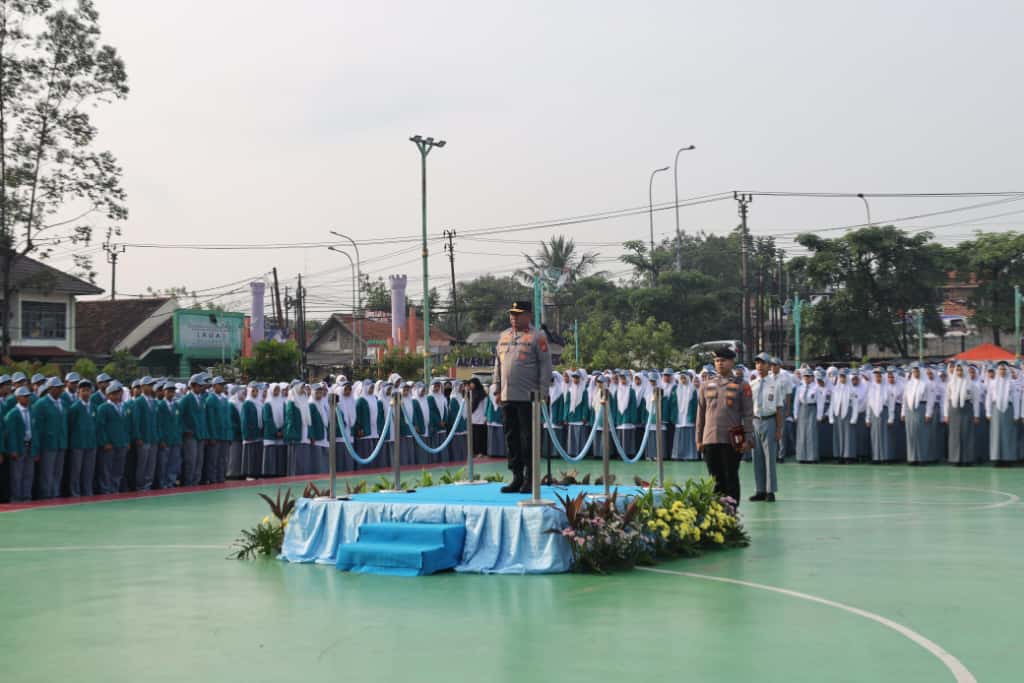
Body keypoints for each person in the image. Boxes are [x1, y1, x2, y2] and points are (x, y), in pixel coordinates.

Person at [492, 300, 553, 493]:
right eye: (512, 314)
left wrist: (543, 392)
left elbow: (545, 366)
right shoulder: (504, 336)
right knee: (512, 438)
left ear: (528, 315)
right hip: (507, 395)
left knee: (528, 440)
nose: (514, 317)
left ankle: (530, 478)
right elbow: (498, 364)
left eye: (518, 314)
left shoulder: (538, 336)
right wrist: (497, 388)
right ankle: (517, 476)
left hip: (528, 398)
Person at [696, 347, 752, 506]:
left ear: (732, 362)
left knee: (731, 477)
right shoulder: (706, 385)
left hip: (732, 440)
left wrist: (748, 438)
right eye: (717, 361)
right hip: (710, 438)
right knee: (714, 479)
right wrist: (698, 439)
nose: (720, 363)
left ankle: (732, 510)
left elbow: (748, 414)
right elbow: (700, 414)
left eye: (723, 360)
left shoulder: (742, 385)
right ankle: (717, 512)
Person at [748, 352, 784, 502]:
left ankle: (770, 490)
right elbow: (749, 407)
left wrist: (779, 429)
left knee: (770, 458)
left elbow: (779, 408)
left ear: (769, 366)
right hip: (755, 421)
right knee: (756, 457)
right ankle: (760, 489)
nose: (759, 366)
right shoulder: (752, 384)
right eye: (757, 363)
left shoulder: (775, 384)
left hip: (770, 421)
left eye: (763, 363)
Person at [31, 377, 67, 499]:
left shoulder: (63, 403)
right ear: (50, 389)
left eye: (61, 387)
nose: (60, 390)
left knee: (58, 472)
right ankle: (46, 497)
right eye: (57, 388)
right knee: (47, 473)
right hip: (47, 444)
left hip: (60, 443)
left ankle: (55, 495)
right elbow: (36, 429)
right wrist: (36, 448)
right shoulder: (40, 404)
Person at [95, 381, 130, 494]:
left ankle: (115, 489)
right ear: (108, 395)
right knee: (106, 469)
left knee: (118, 469)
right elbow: (100, 427)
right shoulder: (103, 408)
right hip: (109, 444)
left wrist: (127, 441)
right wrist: (105, 442)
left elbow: (127, 426)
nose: (117, 395)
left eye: (119, 393)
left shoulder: (124, 407)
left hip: (122, 443)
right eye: (114, 393)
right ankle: (105, 490)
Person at [66, 380, 98, 497]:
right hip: (78, 444)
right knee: (76, 470)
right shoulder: (74, 408)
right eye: (83, 390)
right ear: (78, 392)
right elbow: (70, 425)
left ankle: (87, 492)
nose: (86, 393)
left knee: (89, 470)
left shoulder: (94, 407)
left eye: (88, 390)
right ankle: (75, 493)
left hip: (91, 443)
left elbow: (96, 425)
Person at [5, 386, 37, 502]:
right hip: (19, 447)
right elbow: (11, 434)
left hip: (30, 446)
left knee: (28, 474)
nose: (27, 398)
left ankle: (26, 497)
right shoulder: (12, 414)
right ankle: (16, 498)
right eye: (24, 396)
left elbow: (35, 431)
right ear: (18, 398)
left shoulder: (31, 411)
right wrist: (13, 450)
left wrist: (35, 449)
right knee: (17, 475)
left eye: (28, 396)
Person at [985, 360, 1018, 465]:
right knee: (996, 434)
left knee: (1008, 434)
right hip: (996, 410)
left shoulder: (1012, 383)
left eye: (1004, 369)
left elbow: (1016, 399)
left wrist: (1016, 414)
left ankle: (1008, 458)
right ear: (997, 371)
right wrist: (988, 412)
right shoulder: (992, 383)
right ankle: (996, 458)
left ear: (1007, 370)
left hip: (1008, 409)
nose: (1002, 371)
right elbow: (988, 398)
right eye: (1000, 369)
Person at [179, 374, 210, 487]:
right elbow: (179, 417)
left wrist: (206, 434)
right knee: (190, 460)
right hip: (190, 435)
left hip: (201, 435)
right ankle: (188, 483)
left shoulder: (201, 399)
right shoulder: (186, 399)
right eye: (199, 386)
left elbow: (204, 418)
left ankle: (195, 482)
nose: (201, 388)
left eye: (202, 386)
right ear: (192, 385)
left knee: (199, 460)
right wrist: (185, 429)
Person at [902, 364, 935, 465]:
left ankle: (922, 458)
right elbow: (905, 399)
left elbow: (931, 400)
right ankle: (912, 458)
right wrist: (903, 413)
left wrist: (928, 413)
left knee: (922, 434)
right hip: (910, 410)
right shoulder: (909, 383)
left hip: (921, 408)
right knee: (911, 434)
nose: (916, 373)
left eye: (917, 371)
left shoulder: (927, 383)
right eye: (914, 372)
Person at [794, 369, 824, 463]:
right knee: (801, 433)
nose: (806, 378)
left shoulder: (816, 388)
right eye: (805, 376)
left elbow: (820, 403)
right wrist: (795, 414)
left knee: (811, 433)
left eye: (808, 376)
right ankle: (801, 457)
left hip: (812, 409)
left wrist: (819, 416)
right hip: (803, 409)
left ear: (812, 377)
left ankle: (812, 457)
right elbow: (796, 402)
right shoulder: (800, 388)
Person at [671, 371, 699, 461]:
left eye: (684, 378)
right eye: (681, 378)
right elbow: (673, 403)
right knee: (679, 435)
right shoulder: (676, 389)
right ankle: (678, 455)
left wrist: (694, 416)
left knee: (689, 435)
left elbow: (695, 404)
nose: (683, 380)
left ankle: (690, 455)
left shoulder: (692, 389)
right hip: (679, 416)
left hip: (688, 416)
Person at [261, 383, 287, 476]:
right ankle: (270, 473)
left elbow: (286, 417)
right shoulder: (267, 403)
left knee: (280, 453)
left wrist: (282, 430)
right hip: (271, 433)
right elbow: (267, 419)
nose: (277, 391)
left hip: (281, 432)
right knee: (271, 453)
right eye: (275, 389)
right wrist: (276, 431)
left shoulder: (282, 402)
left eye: (278, 390)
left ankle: (280, 472)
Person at [240, 382, 263, 478]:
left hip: (258, 433)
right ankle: (249, 473)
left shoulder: (259, 403)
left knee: (257, 454)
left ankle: (257, 473)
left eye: (256, 391)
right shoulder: (247, 403)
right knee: (250, 454)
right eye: (253, 391)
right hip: (250, 433)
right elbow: (244, 420)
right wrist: (246, 434)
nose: (255, 393)